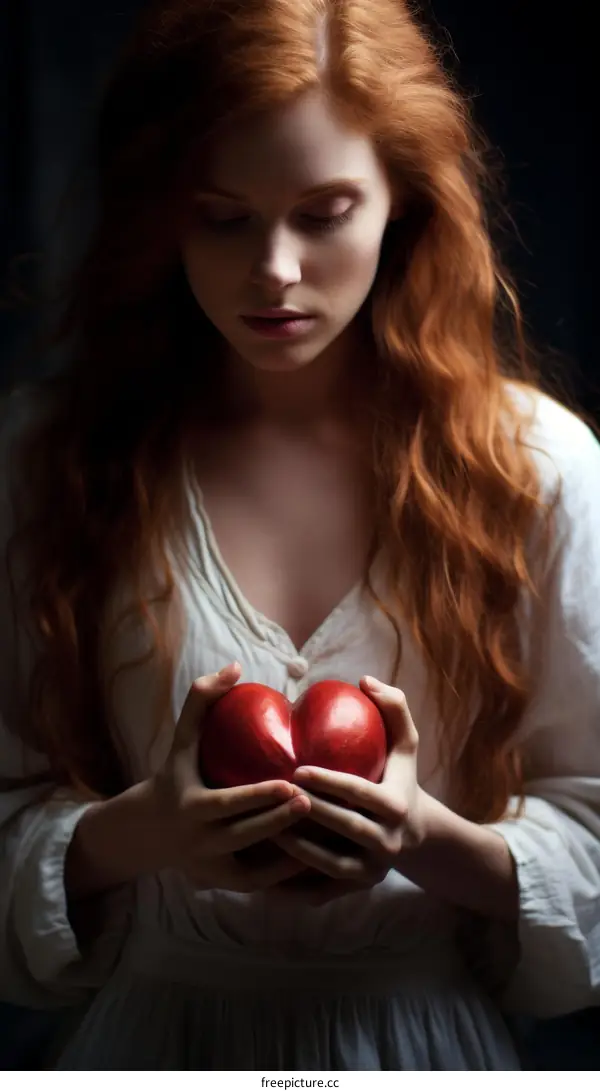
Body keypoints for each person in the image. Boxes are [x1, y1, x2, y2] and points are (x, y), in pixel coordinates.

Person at [1, 0, 599, 1072]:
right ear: (159, 214)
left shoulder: (539, 468)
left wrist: (429, 838)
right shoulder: (43, 459)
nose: (273, 269)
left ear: (404, 207)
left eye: (323, 213)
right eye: (222, 216)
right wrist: (142, 834)